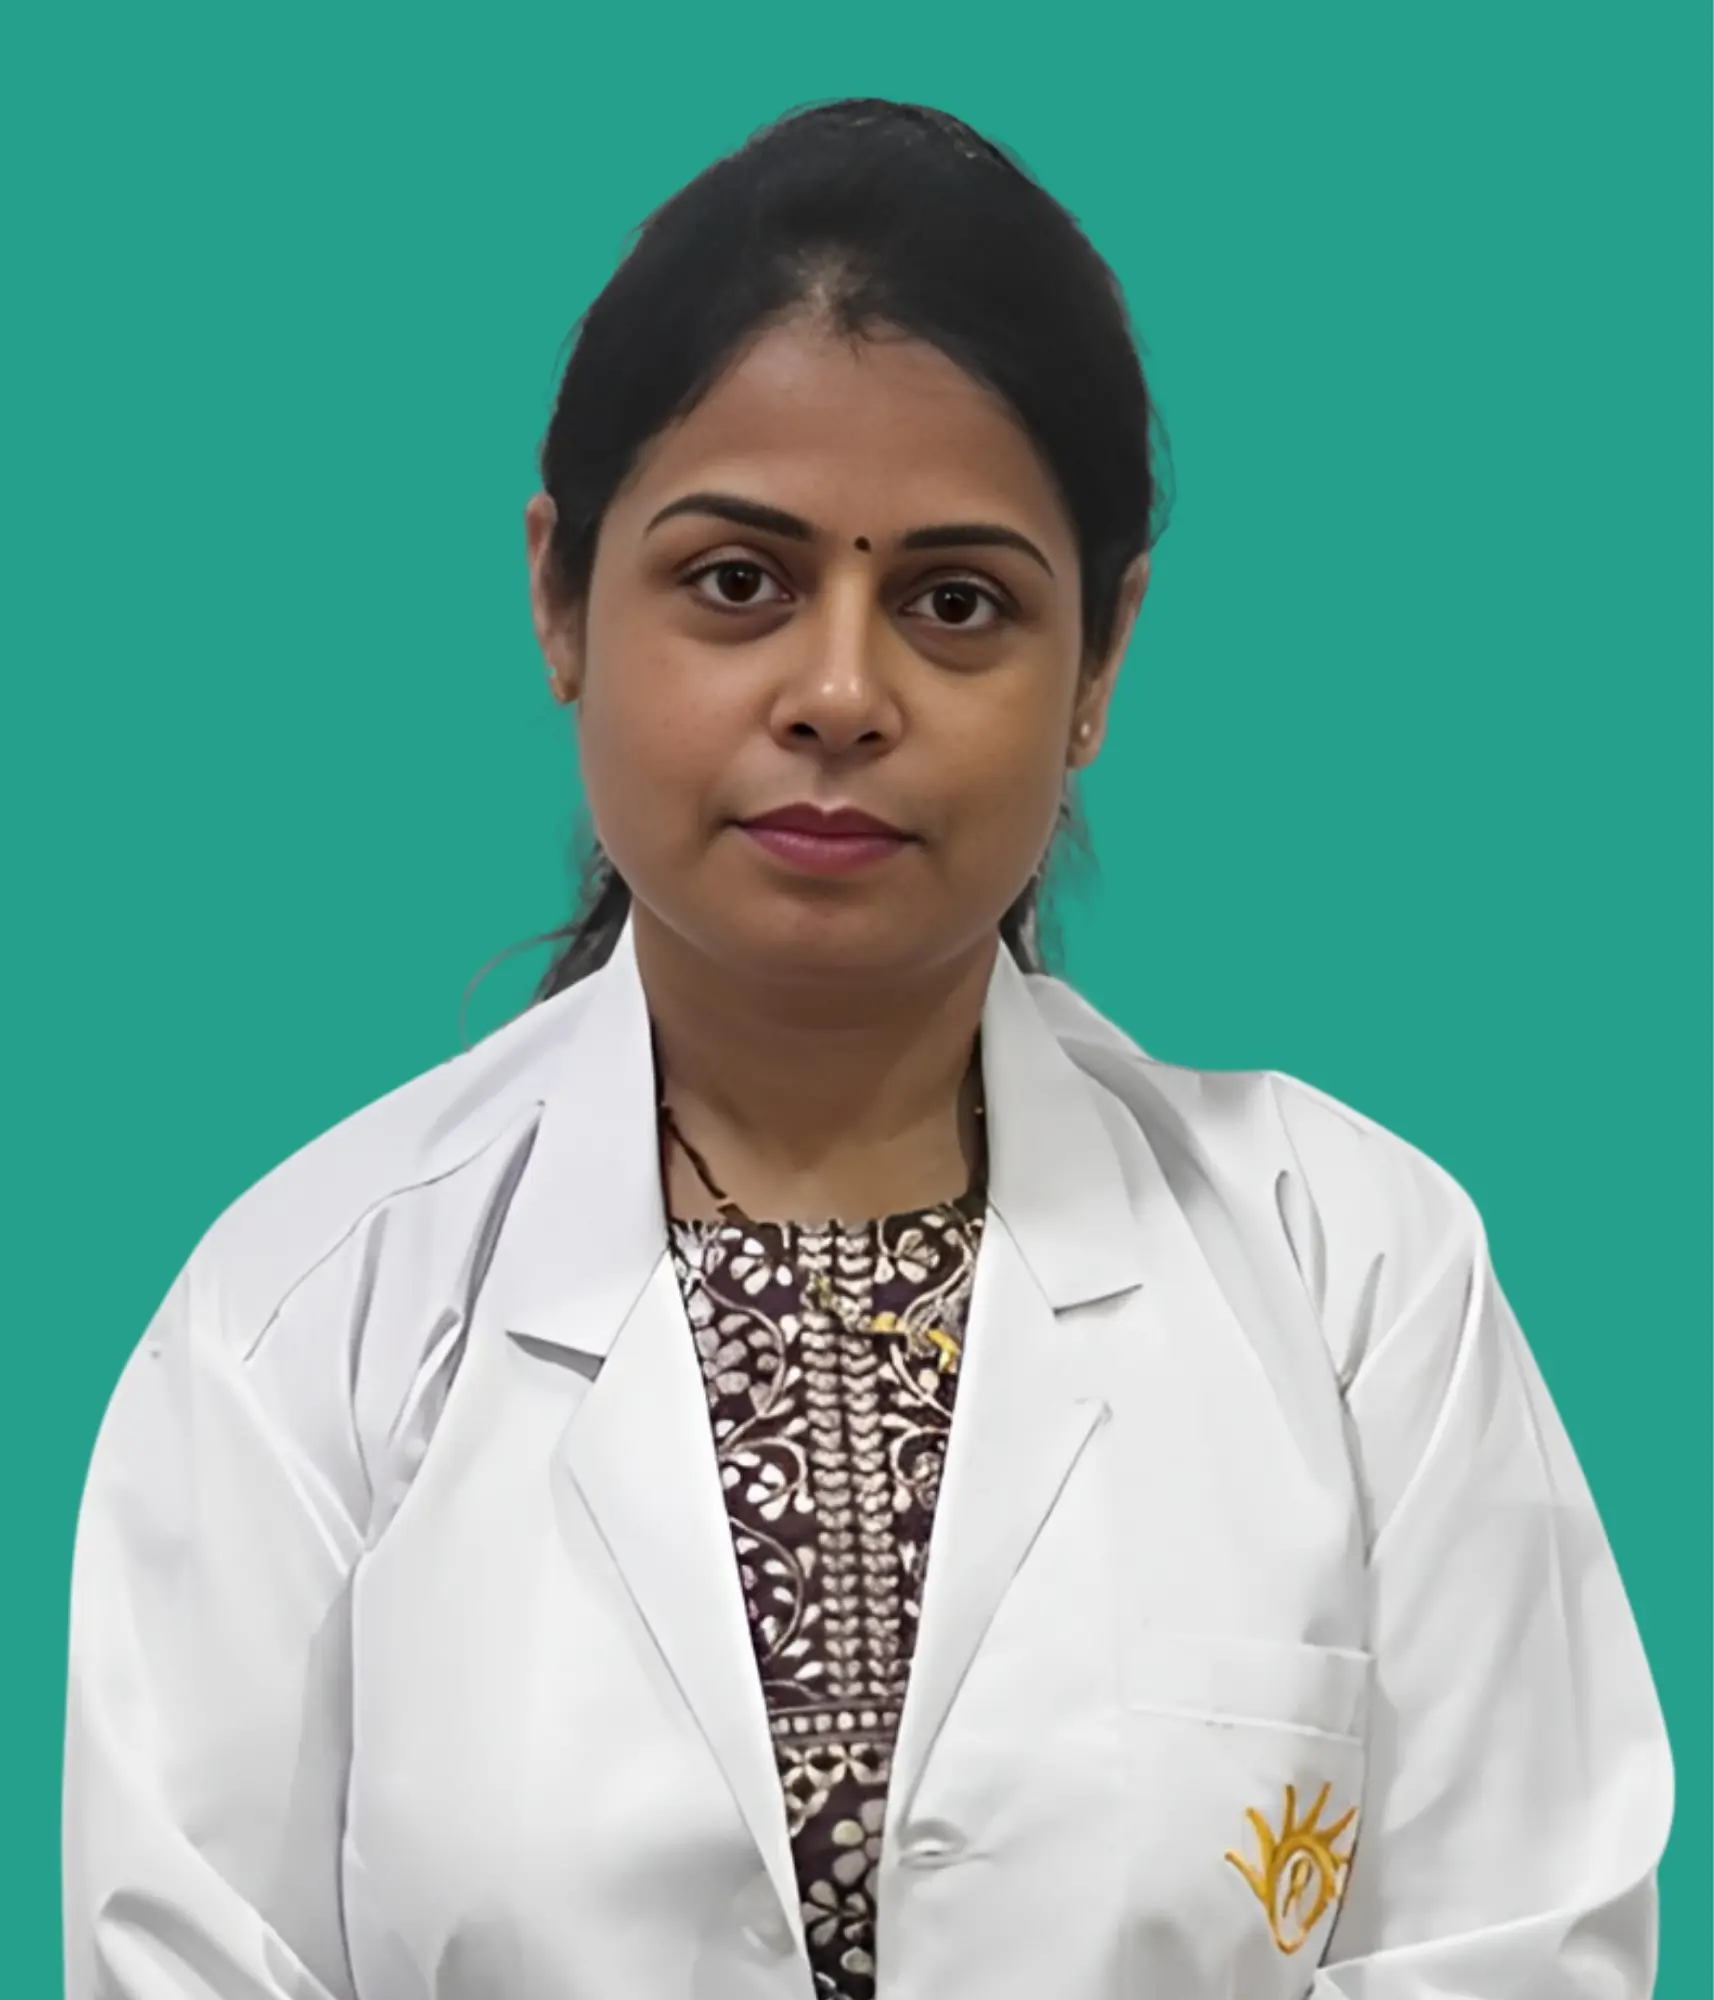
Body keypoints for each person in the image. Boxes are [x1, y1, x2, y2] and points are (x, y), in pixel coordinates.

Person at [62, 97, 1672, 2000]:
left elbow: (1523, 1947)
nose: (838, 693)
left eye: (953, 603)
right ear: (560, 598)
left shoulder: (1356, 1280)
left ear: (1098, 662)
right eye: (736, 583)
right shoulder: (297, 1321)